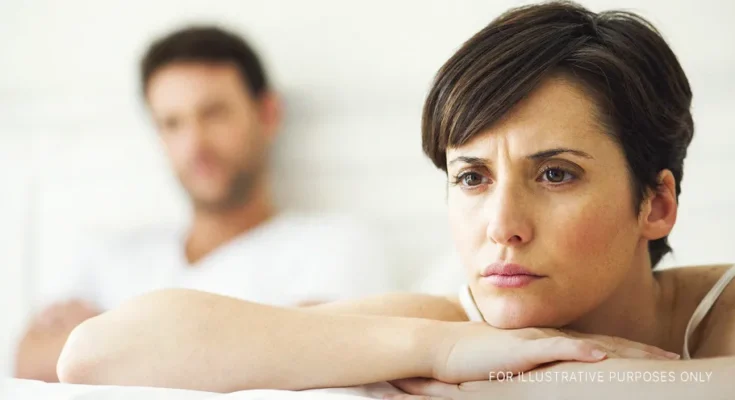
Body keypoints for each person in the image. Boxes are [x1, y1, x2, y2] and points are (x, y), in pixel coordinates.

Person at [55, 2, 735, 398]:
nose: (501, 227)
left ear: (656, 203)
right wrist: (436, 351)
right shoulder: (444, 325)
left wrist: (516, 385)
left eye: (555, 174)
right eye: (471, 178)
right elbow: (96, 353)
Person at [14, 26, 399, 382]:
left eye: (213, 114)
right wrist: (235, 346)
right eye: (172, 123)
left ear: (267, 114)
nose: (194, 145)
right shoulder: (108, 255)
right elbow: (28, 362)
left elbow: (315, 357)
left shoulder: (334, 244)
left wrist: (106, 339)